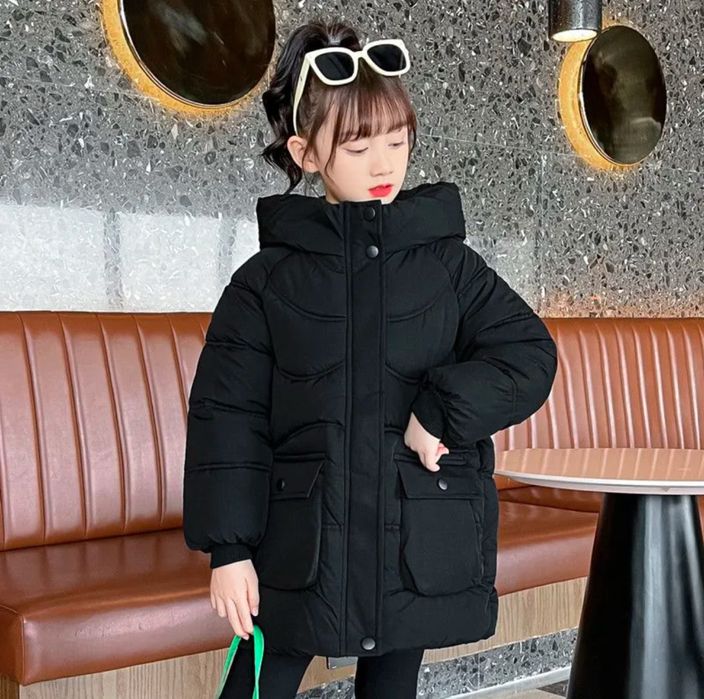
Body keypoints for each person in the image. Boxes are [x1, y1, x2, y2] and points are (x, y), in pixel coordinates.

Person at [182, 18, 558, 699]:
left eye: (396, 139)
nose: (384, 164)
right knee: (258, 681)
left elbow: (528, 352)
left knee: (392, 685)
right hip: (302, 542)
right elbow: (227, 417)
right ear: (306, 152)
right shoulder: (266, 283)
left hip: (415, 528)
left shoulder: (447, 266)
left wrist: (443, 410)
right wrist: (229, 549)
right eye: (358, 147)